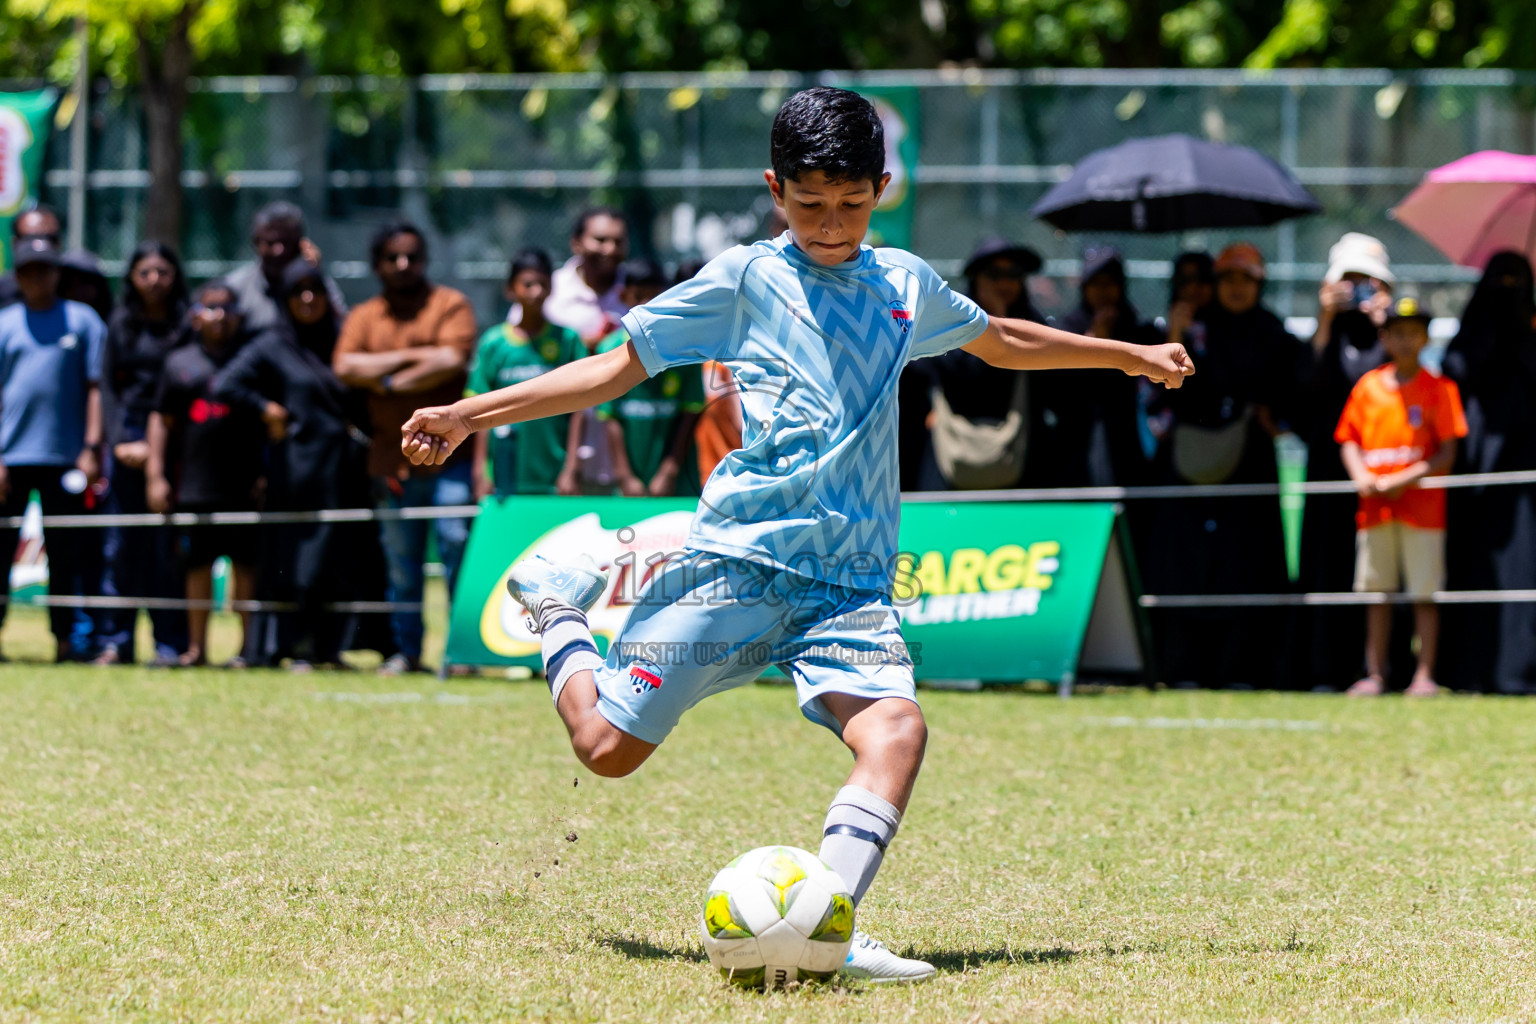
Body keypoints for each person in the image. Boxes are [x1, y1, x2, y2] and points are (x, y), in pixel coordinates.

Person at [399, 87, 1193, 982]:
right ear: (775, 189)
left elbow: (1002, 337)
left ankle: (831, 928)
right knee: (606, 752)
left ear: (881, 188)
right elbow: (612, 367)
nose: (830, 222)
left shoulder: (903, 285)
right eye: (809, 202)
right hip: (734, 565)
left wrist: (1128, 353)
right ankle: (556, 610)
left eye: (851, 202)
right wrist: (470, 413)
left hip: (849, 585)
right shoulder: (743, 279)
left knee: (896, 732)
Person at [214, 259, 382, 669]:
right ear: (285, 299)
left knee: (337, 562)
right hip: (297, 470)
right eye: (298, 291)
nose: (308, 299)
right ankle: (293, 647)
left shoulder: (343, 338)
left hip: (343, 469)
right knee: (299, 564)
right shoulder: (273, 343)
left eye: (316, 290)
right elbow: (225, 384)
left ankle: (330, 650)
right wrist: (265, 408)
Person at [332, 221, 479, 676]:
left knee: (456, 545)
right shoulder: (364, 317)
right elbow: (343, 365)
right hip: (392, 460)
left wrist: (388, 380)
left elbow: (452, 360)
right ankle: (407, 652)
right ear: (377, 265)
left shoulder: (450, 304)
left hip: (451, 455)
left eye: (412, 256)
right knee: (402, 563)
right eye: (393, 257)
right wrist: (420, 359)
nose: (403, 265)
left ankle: (461, 654)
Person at [1150, 242, 1294, 688]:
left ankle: (1243, 669)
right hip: (1191, 461)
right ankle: (1184, 667)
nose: (1236, 289)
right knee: (1187, 564)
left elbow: (1287, 386)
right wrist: (1176, 336)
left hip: (1249, 463)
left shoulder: (1272, 331)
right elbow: (1164, 394)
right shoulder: (1195, 331)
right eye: (1227, 279)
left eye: (1245, 280)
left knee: (1247, 564)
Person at [1336, 298, 1466, 696]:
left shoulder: (1440, 389)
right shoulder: (1368, 387)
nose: (1406, 340)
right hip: (1374, 510)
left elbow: (1447, 451)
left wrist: (1407, 478)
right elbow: (1348, 440)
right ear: (1384, 338)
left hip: (1423, 512)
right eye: (1398, 332)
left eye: (1414, 332)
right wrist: (1361, 476)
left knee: (1424, 594)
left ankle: (1424, 675)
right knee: (1377, 593)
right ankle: (1375, 674)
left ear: (1426, 337)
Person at [146, 281, 265, 668]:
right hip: (195, 484)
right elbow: (161, 421)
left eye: (228, 308)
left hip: (245, 484)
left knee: (246, 569)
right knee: (196, 568)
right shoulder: (179, 362)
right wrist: (155, 476)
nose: (220, 316)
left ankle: (247, 649)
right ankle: (196, 649)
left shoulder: (252, 360)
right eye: (211, 308)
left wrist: (266, 473)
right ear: (195, 315)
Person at [1295, 233, 1396, 689]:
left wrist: (1386, 326)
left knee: (1379, 566)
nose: (1356, 291)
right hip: (1328, 466)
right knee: (1327, 561)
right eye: (1347, 280)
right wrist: (1324, 318)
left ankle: (1377, 666)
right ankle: (1321, 664)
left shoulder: (1387, 334)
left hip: (1383, 469)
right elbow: (1306, 386)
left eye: (1365, 281)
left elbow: (1402, 382)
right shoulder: (1325, 334)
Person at [0, 236, 107, 662]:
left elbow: (95, 389)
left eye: (44, 269)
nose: (37, 278)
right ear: (18, 276)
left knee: (66, 555)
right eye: (28, 270)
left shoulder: (82, 321)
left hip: (66, 459)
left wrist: (91, 448)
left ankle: (66, 641)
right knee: (0, 554)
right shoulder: (5, 323)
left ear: (56, 274)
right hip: (11, 460)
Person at [1440, 251, 1536, 694]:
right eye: (1501, 282)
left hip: (1526, 472)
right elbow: (1457, 369)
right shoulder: (1473, 330)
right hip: (1477, 469)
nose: (1508, 292)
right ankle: (1468, 669)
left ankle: (1521, 668)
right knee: (1473, 562)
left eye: (1518, 283)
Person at [94, 241, 192, 667]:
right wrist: (118, 441)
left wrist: (156, 453)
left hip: (173, 439)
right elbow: (108, 389)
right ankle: (116, 640)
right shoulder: (120, 324)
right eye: (145, 272)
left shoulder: (186, 323)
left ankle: (169, 644)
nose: (155, 280)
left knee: (165, 549)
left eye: (163, 271)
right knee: (121, 546)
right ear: (132, 278)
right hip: (126, 439)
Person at [905, 237, 1043, 491]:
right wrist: (989, 327)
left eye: (1013, 274)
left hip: (1020, 458)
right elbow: (960, 374)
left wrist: (1004, 326)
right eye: (994, 274)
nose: (1004, 283)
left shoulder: (1036, 324)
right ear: (975, 279)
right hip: (951, 455)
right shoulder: (950, 321)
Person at [1023, 245, 1156, 489]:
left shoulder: (1137, 329)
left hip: (1127, 442)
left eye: (1110, 283)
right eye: (1096, 283)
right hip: (1076, 444)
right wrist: (1093, 344)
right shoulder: (1067, 328)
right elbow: (1057, 395)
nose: (1103, 292)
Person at [466, 249, 585, 499]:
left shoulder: (568, 340)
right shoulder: (494, 343)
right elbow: (478, 409)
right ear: (510, 289)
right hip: (504, 472)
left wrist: (572, 467)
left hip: (554, 471)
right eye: (528, 284)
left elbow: (580, 409)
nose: (536, 291)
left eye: (543, 284)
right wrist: (480, 470)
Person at [594, 258, 706, 498]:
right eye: (638, 296)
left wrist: (670, 470)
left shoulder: (686, 350)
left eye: (654, 297)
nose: (646, 304)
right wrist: (624, 476)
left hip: (676, 483)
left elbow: (692, 411)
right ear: (624, 296)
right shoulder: (610, 348)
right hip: (629, 482)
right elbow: (609, 416)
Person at [547, 207, 632, 494]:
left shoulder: (640, 294)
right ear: (576, 243)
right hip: (558, 452)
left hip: (626, 459)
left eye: (618, 241)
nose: (610, 249)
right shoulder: (551, 294)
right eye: (600, 239)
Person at [225, 201, 348, 334]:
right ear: (256, 242)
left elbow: (343, 328)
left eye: (286, 242)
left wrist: (315, 275)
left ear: (301, 244)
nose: (279, 250)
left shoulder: (319, 287)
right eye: (271, 242)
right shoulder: (237, 288)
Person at [0, 205, 63, 309]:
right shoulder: (2, 293)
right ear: (14, 244)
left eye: (50, 238)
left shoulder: (78, 285)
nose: (39, 245)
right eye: (28, 239)